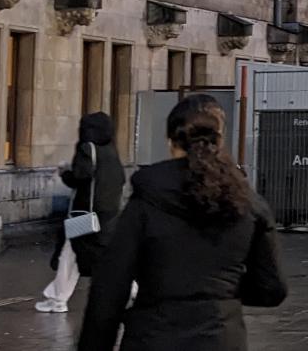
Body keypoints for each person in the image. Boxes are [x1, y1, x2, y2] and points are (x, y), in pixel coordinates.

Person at [79, 94, 286, 351]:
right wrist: (221, 292)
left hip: (154, 336)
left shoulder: (146, 200)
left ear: (171, 143)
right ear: (219, 141)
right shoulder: (248, 203)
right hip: (221, 339)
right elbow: (271, 288)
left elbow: (110, 286)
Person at [38, 112, 123, 313]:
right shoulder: (111, 151)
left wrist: (63, 172)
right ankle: (132, 288)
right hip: (107, 213)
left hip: (85, 214)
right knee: (93, 253)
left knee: (70, 252)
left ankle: (58, 299)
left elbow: (79, 177)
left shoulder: (87, 149)